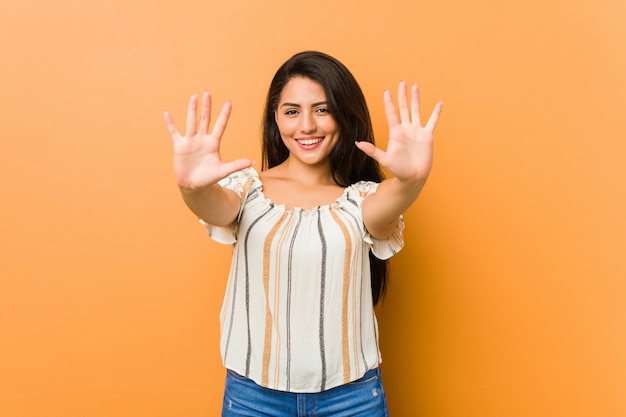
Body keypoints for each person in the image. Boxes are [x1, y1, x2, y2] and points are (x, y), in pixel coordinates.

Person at [163, 51, 442, 417]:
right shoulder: (248, 189)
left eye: (322, 110)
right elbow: (214, 206)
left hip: (352, 400)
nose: (307, 125)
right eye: (292, 111)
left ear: (343, 115)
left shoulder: (360, 199)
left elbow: (387, 207)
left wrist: (412, 180)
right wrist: (191, 187)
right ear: (275, 119)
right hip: (253, 398)